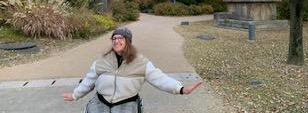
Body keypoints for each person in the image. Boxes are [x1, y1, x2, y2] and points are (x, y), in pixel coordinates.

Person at [63, 27, 203, 113]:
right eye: (114, 38)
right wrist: (75, 95)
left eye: (120, 38)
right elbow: (89, 81)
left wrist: (180, 89)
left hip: (126, 101)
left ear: (128, 41)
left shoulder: (141, 62)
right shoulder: (102, 61)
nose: (116, 41)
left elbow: (159, 79)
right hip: (101, 100)